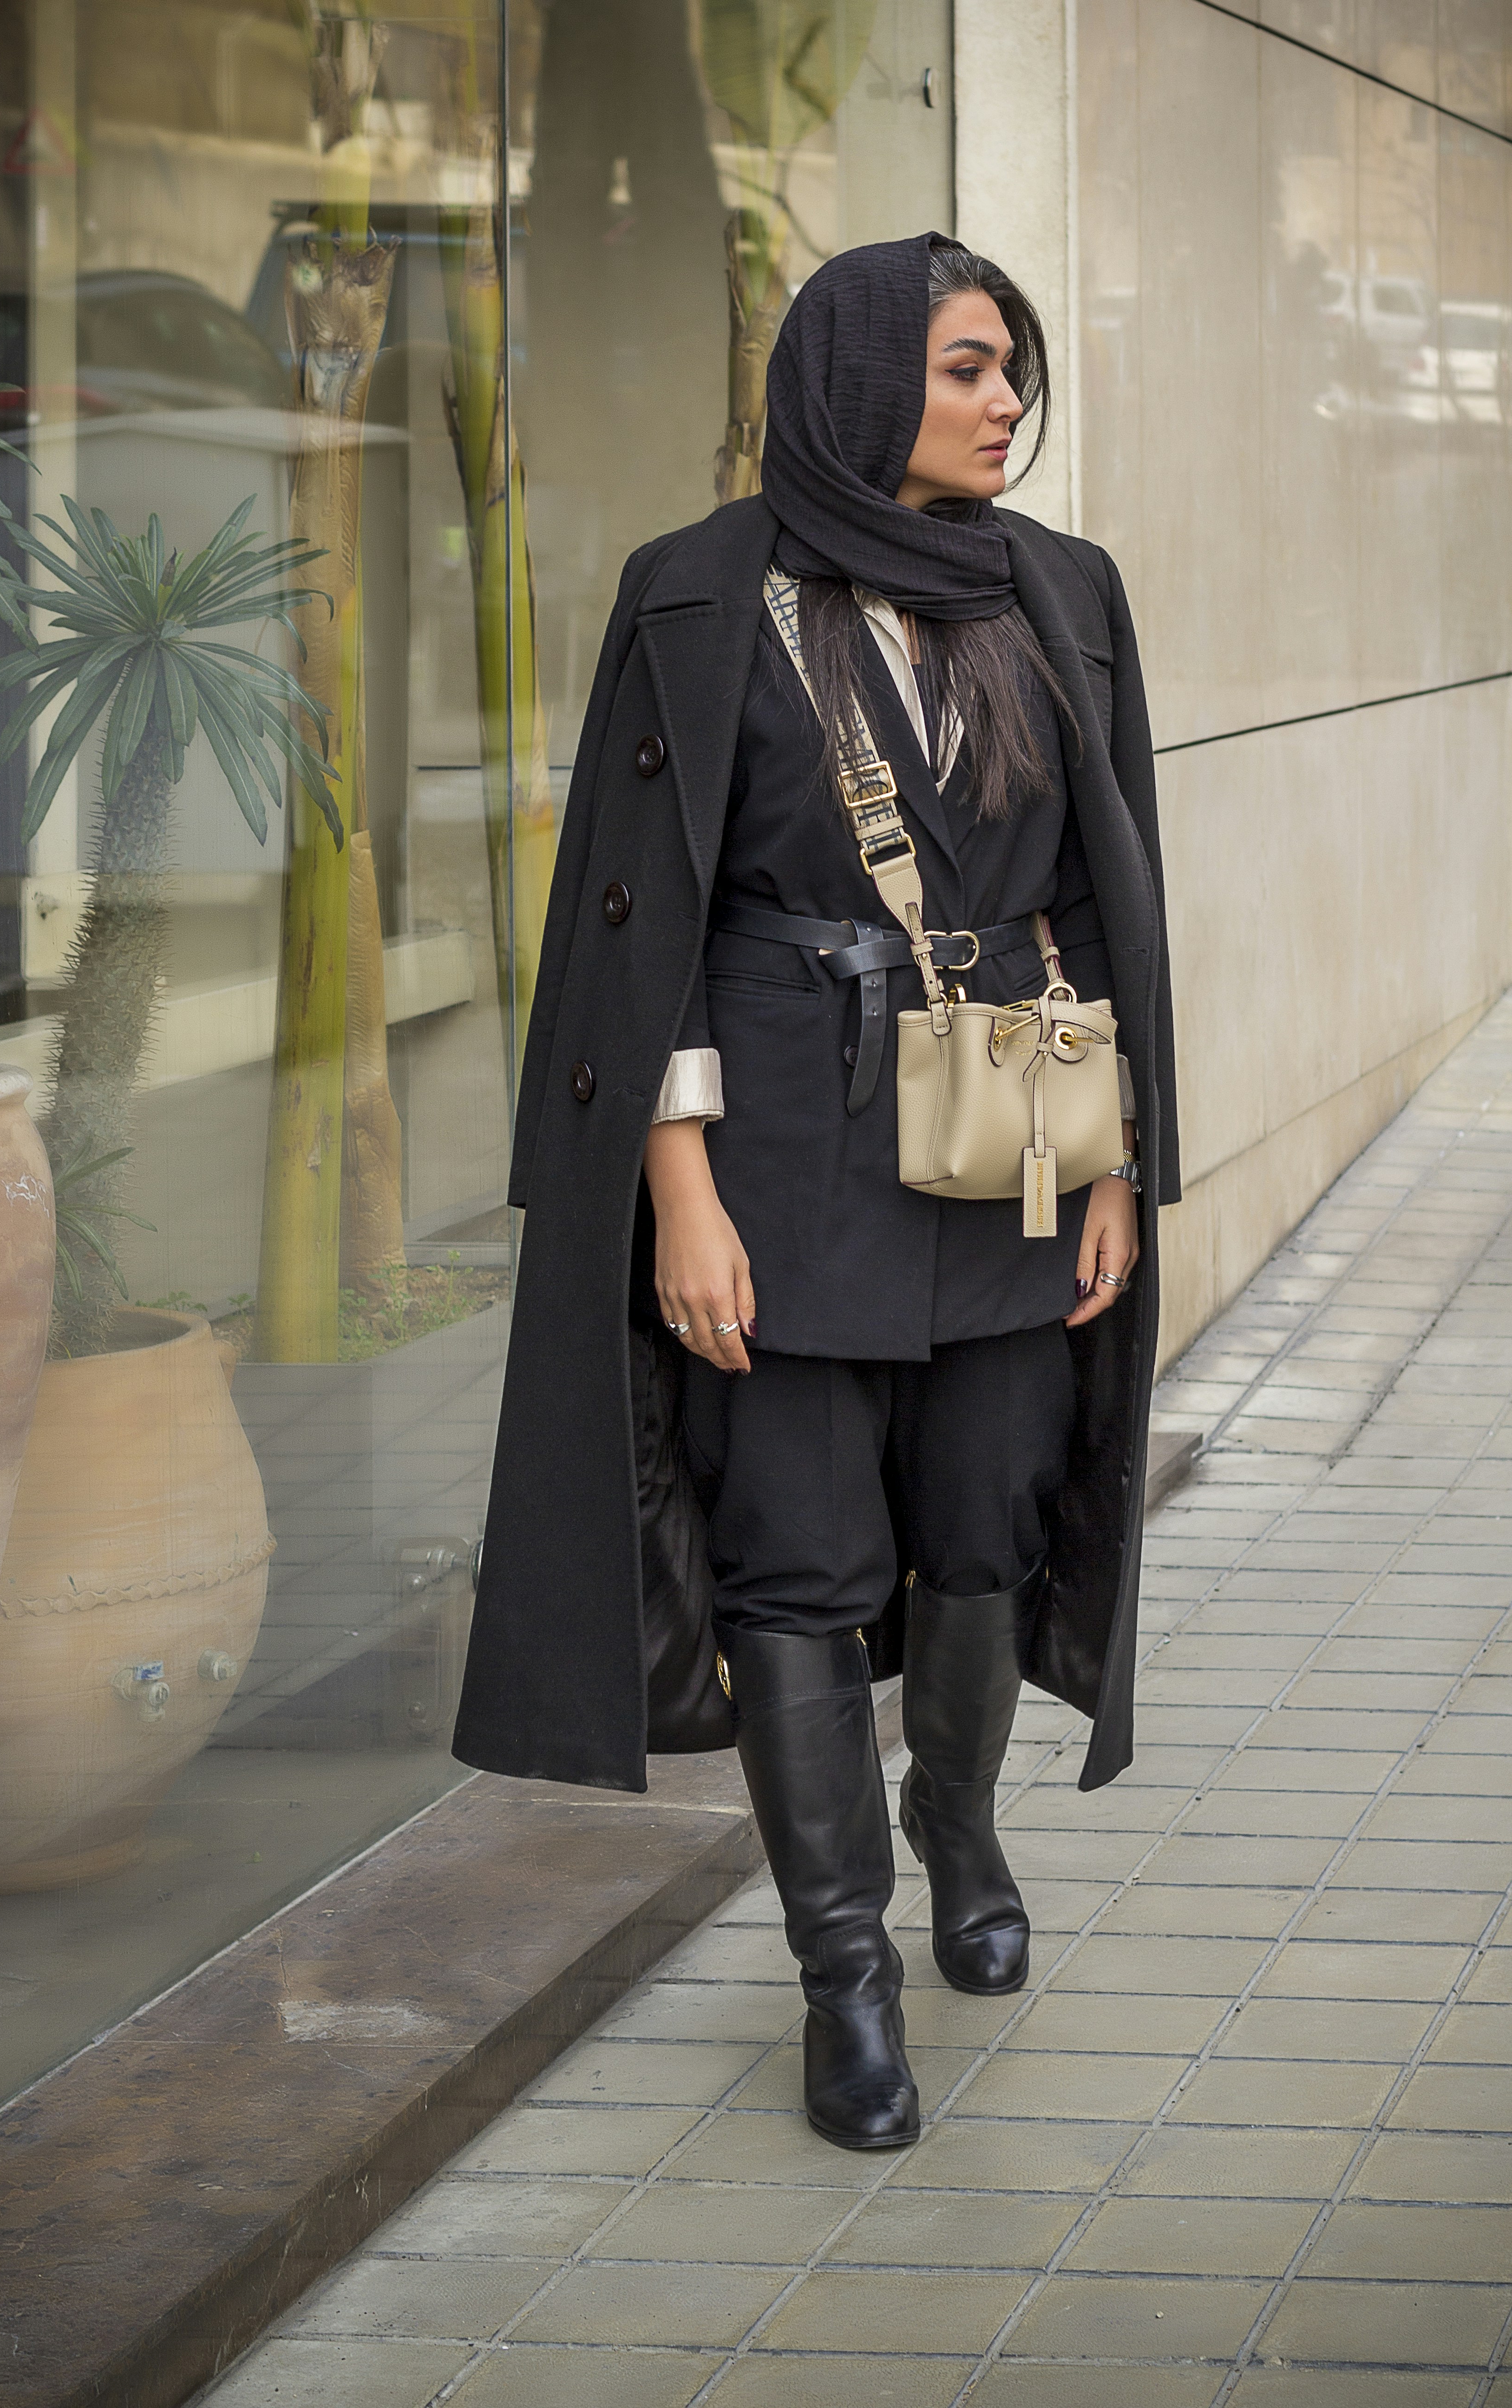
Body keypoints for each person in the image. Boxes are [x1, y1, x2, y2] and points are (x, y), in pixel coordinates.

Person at [454, 233, 1179, 2153]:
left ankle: (958, 1819)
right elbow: (641, 924)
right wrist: (677, 1193)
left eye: (1013, 368)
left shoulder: (1065, 591)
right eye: (966, 368)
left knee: (983, 1523)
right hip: (776, 1128)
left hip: (1017, 1117)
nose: (1007, 399)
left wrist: (1116, 1167)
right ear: (863, 380)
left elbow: (1104, 907)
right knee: (794, 1551)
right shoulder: (700, 595)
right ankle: (842, 1975)